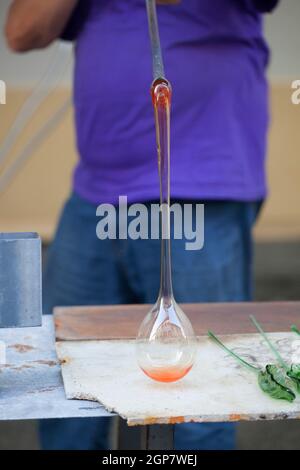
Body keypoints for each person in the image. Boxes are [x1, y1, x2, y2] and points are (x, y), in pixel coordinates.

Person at [5, 0, 279, 450]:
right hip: (96, 195)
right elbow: (21, 31)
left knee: (205, 394)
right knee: (61, 385)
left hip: (202, 190)